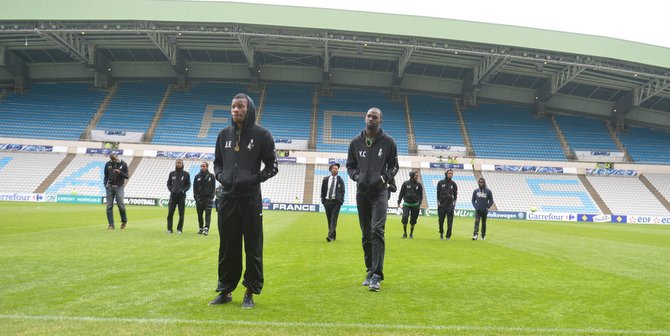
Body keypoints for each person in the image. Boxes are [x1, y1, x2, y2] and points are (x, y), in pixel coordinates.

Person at [209, 93, 278, 309]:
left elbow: (272, 166)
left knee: (252, 246)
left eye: (240, 107)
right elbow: (217, 163)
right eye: (233, 107)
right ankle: (225, 290)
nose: (236, 110)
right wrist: (221, 176)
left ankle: (250, 292)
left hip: (250, 199)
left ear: (250, 110)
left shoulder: (262, 135)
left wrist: (253, 178)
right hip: (227, 198)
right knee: (227, 246)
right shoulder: (223, 135)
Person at [346, 107, 399, 292]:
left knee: (377, 230)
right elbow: (350, 166)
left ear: (380, 121)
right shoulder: (355, 142)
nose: (371, 119)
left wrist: (384, 178)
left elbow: (394, 166)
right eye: (368, 116)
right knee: (366, 233)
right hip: (362, 193)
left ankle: (377, 275)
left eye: (374, 117)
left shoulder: (389, 142)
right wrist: (356, 177)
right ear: (364, 118)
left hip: (380, 193)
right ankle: (369, 270)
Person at [320, 162, 345, 242]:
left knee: (333, 219)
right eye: (334, 168)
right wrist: (323, 200)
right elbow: (323, 190)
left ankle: (330, 236)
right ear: (330, 169)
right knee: (329, 220)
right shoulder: (325, 179)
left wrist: (340, 200)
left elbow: (342, 191)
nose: (336, 170)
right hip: (327, 202)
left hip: (336, 203)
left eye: (337, 169)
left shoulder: (340, 180)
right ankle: (333, 236)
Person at [103, 153, 128, 230]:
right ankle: (111, 225)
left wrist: (120, 172)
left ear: (117, 157)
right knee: (109, 206)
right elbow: (106, 176)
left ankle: (124, 221)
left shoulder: (123, 164)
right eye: (112, 159)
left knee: (121, 205)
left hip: (119, 187)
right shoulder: (108, 164)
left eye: (114, 159)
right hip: (109, 187)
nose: (113, 160)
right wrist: (105, 184)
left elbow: (127, 176)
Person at [166, 158, 191, 234]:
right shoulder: (172, 173)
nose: (178, 164)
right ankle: (169, 229)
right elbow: (168, 183)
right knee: (170, 213)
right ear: (175, 164)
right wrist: (171, 190)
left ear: (182, 164)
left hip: (181, 197)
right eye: (177, 163)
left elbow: (188, 184)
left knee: (181, 214)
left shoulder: (186, 174)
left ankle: (179, 229)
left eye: (180, 163)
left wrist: (183, 190)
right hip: (173, 196)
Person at [397, 171, 424, 239]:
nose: (417, 177)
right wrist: (399, 202)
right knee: (405, 217)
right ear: (412, 176)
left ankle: (411, 233)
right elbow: (401, 193)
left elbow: (421, 195)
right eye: (416, 175)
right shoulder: (405, 183)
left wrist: (419, 202)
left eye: (417, 175)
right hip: (406, 203)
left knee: (413, 220)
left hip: (415, 204)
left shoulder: (419, 185)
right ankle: (405, 233)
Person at [194, 161, 216, 236]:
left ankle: (206, 228)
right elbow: (195, 188)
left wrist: (212, 196)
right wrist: (196, 197)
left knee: (208, 214)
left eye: (204, 166)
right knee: (200, 215)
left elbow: (213, 187)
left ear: (207, 167)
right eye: (201, 166)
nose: (202, 167)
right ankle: (200, 227)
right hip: (199, 199)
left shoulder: (211, 176)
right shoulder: (197, 176)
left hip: (208, 199)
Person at [436, 169, 458, 240]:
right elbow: (437, 194)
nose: (451, 175)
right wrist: (438, 203)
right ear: (446, 174)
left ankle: (448, 236)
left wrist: (454, 204)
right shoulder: (440, 183)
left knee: (450, 220)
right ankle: (441, 232)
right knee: (441, 220)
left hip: (450, 205)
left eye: (452, 174)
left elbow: (455, 195)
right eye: (449, 173)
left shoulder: (454, 184)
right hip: (442, 204)